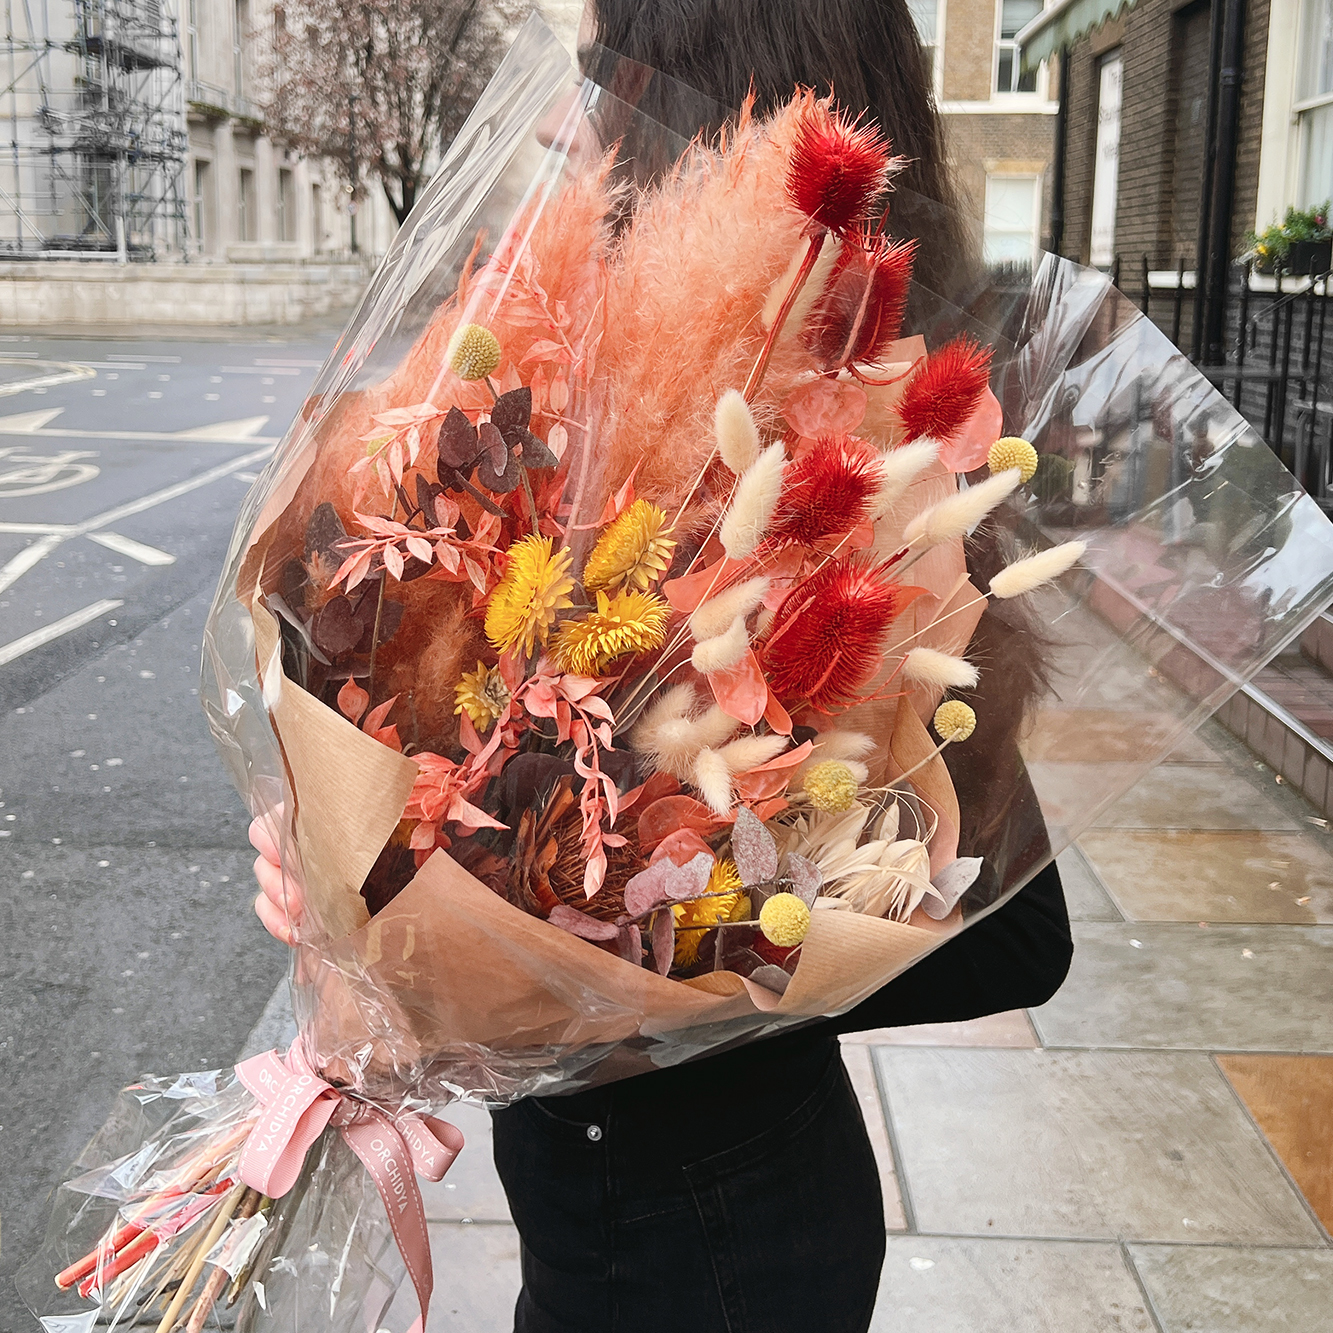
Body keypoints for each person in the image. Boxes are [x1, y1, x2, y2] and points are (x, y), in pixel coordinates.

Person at [252, 3, 1073, 1328]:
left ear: (708, 114)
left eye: (600, 81)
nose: (580, 126)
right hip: (590, 1206)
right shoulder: (569, 431)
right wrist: (337, 852)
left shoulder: (871, 495)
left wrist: (679, 932)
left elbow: (1019, 936)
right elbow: (448, 738)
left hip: (719, 1238)